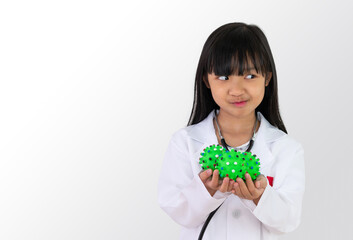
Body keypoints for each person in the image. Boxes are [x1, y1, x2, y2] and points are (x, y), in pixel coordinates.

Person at [157, 22, 305, 240]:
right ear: (206, 80)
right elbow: (175, 208)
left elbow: (289, 220)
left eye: (250, 76)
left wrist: (260, 197)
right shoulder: (185, 142)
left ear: (267, 77)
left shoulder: (286, 149)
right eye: (224, 77)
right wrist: (205, 191)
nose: (237, 90)